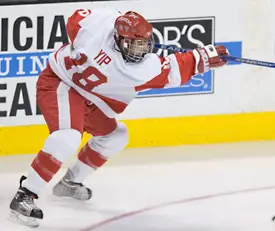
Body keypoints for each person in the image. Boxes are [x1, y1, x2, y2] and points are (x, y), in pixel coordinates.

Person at [9, 8, 229, 227]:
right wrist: (202, 58)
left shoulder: (100, 23)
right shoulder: (135, 70)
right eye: (134, 44)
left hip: (93, 97)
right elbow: (173, 69)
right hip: (60, 83)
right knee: (67, 137)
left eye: (143, 43)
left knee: (115, 136)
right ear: (119, 40)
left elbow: (75, 19)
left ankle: (70, 182)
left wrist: (110, 27)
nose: (140, 50)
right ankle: (24, 195)